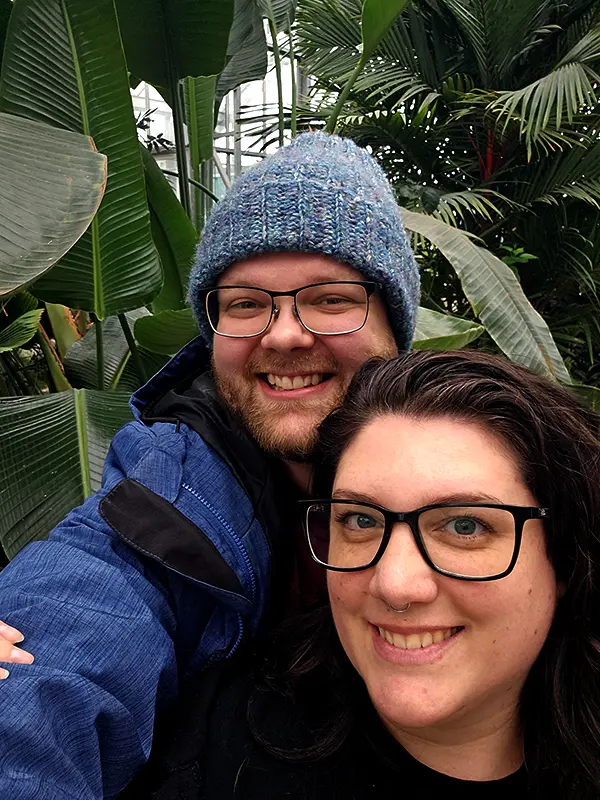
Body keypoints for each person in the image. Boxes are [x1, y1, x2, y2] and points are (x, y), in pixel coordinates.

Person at [0, 132, 420, 799]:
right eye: (246, 304)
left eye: (331, 299)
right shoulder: (178, 479)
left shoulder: (479, 466)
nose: (283, 334)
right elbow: (88, 608)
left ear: (394, 327)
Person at [175, 350, 599, 799]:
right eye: (360, 520)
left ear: (564, 560)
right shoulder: (214, 749)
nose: (395, 584)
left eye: (464, 526)